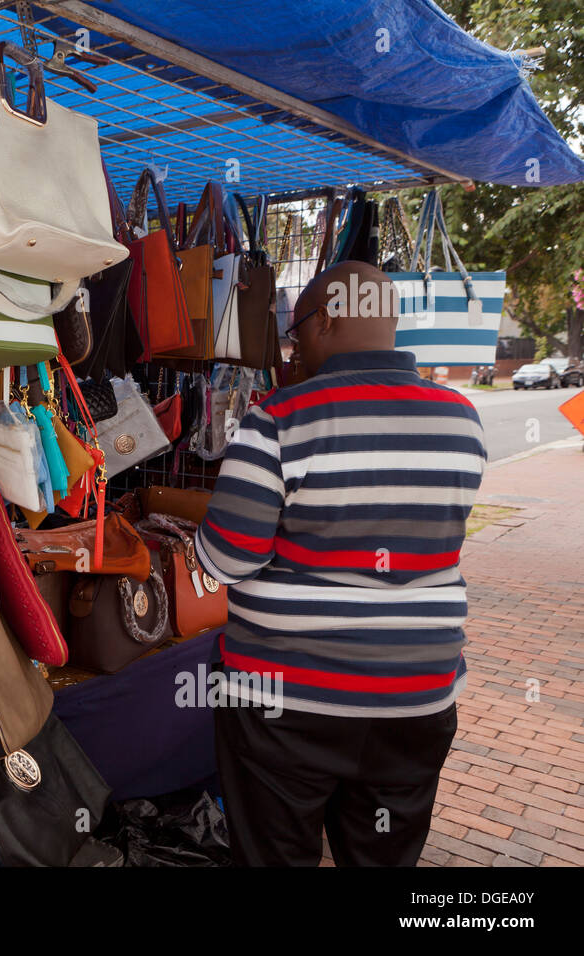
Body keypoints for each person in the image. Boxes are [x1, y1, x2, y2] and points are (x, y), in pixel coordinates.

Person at [195, 261, 486, 866]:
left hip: (286, 702)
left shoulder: (278, 420)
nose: (291, 346)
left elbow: (226, 560)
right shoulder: (462, 421)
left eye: (294, 330)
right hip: (416, 698)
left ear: (325, 320)